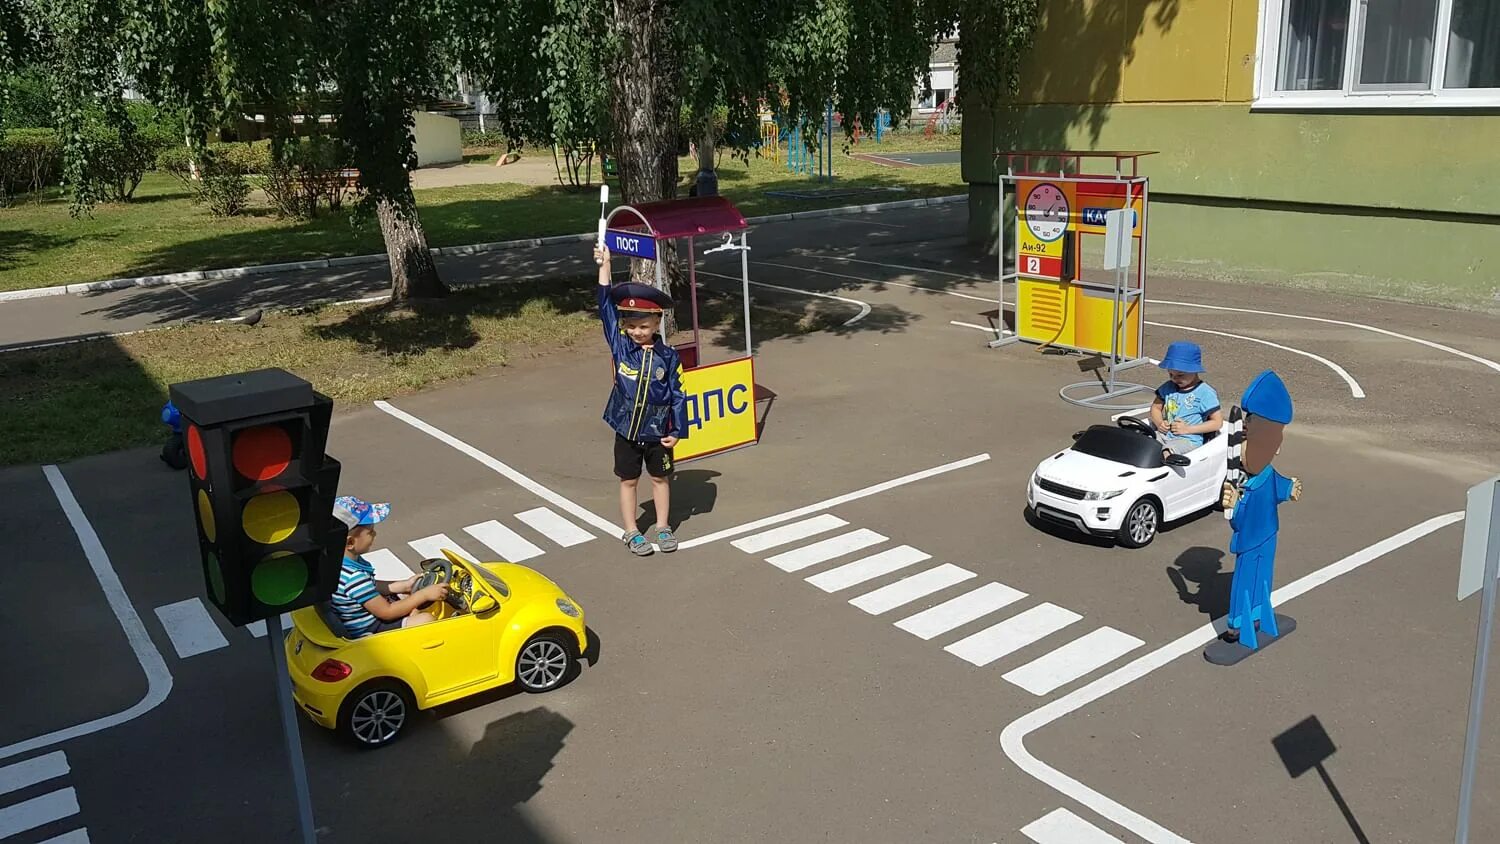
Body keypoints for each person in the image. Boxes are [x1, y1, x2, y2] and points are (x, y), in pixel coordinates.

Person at [593, 243, 690, 557]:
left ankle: (663, 527)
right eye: (631, 325)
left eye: (643, 326)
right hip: (626, 432)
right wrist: (605, 266)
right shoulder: (621, 347)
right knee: (629, 481)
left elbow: (678, 394)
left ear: (657, 322)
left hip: (657, 434)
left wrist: (677, 430)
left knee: (661, 479)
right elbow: (605, 307)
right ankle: (632, 531)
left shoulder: (669, 356)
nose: (636, 331)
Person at [330, 495, 448, 638]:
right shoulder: (354, 577)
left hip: (366, 616)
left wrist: (404, 586)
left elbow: (369, 587)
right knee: (426, 619)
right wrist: (423, 594)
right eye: (370, 532)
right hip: (369, 629)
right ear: (350, 543)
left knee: (408, 599)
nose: (375, 534)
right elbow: (387, 612)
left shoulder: (340, 562)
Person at [1149, 340, 1223, 457]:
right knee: (1146, 442)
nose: (1174, 379)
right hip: (1165, 435)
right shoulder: (1168, 387)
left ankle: (1167, 470)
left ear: (1194, 370)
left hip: (1189, 440)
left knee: (1168, 451)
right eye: (1171, 374)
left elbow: (1217, 423)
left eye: (1180, 375)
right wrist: (1159, 423)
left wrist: (1187, 429)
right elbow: (1155, 408)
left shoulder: (1205, 393)